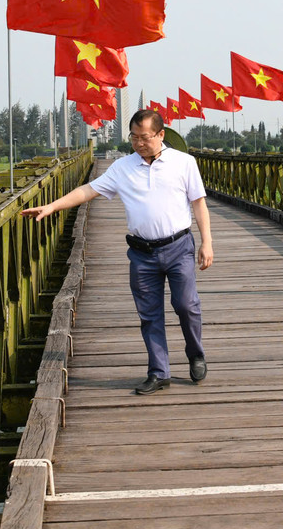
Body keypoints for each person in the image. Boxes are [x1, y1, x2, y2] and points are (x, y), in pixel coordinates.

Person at [21, 109, 213, 394]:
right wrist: (52, 206)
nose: (138, 143)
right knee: (149, 314)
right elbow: (88, 190)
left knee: (186, 305)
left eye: (144, 137)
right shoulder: (123, 167)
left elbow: (198, 203)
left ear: (161, 135)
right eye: (133, 137)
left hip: (178, 247)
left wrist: (207, 242)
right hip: (142, 253)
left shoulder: (184, 163)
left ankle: (195, 352)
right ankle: (159, 372)